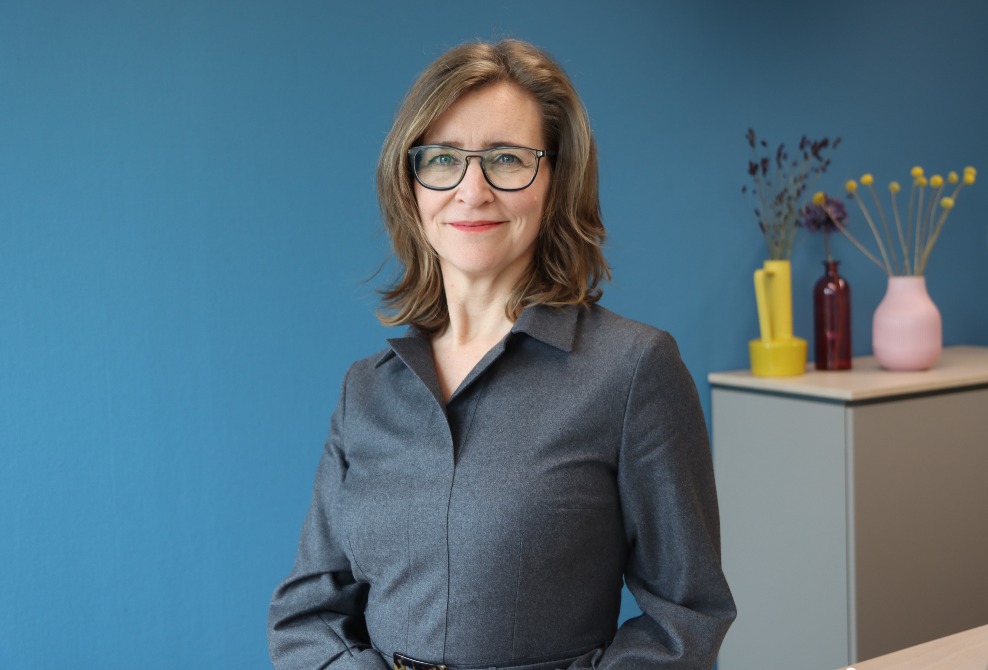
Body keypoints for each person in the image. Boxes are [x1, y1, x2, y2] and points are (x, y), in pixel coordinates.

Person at [268, 39, 735, 669]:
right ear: (411, 186)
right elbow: (306, 616)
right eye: (442, 160)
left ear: (556, 180)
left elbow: (688, 616)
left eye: (507, 159)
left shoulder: (633, 371)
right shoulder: (367, 391)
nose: (472, 189)